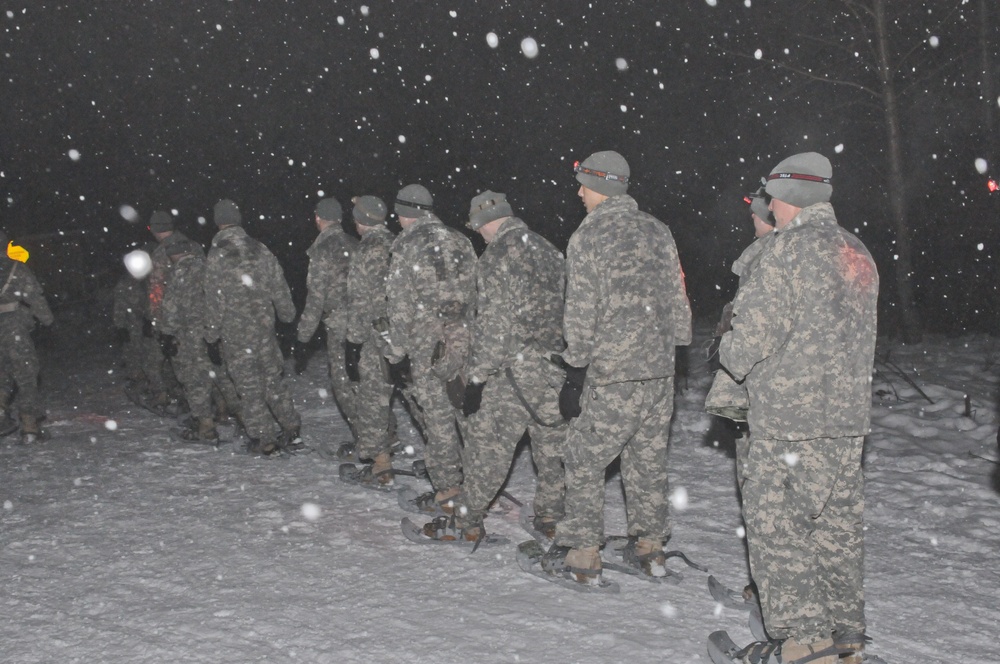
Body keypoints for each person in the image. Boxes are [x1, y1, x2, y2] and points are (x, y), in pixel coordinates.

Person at [718, 152, 879, 664]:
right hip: (846, 418)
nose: (768, 205)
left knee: (778, 526)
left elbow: (751, 342)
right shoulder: (856, 249)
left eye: (771, 196)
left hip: (789, 419)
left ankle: (805, 641)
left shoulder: (786, 252)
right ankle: (845, 632)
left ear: (786, 198)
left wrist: (725, 343)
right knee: (836, 525)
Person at [543, 151, 691, 586]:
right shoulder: (657, 229)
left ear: (597, 187)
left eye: (582, 185)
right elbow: (679, 301)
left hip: (613, 372)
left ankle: (583, 555)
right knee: (646, 461)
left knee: (584, 458)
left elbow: (581, 312)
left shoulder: (589, 235)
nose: (578, 193)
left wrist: (576, 367)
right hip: (659, 371)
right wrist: (670, 345)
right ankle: (649, 549)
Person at [421, 191, 567, 543]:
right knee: (550, 446)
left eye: (478, 229)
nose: (479, 235)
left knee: (490, 449)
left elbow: (494, 326)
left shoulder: (497, 256)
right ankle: (551, 514)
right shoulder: (549, 249)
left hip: (513, 371)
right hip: (553, 366)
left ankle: (467, 521)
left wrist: (476, 378)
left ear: (486, 223)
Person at [380, 184, 476, 509]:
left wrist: (395, 353)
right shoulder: (461, 240)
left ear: (404, 212)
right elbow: (476, 293)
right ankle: (479, 481)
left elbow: (400, 306)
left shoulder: (406, 245)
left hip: (428, 343)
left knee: (438, 419)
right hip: (464, 338)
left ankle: (449, 491)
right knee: (466, 412)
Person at [204, 199, 300, 456]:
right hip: (264, 327)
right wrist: (287, 314)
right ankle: (291, 426)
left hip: (236, 332)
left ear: (218, 222)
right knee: (271, 378)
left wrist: (211, 335)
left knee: (248, 386)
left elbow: (214, 298)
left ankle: (265, 438)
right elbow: (278, 284)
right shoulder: (259, 248)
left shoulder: (218, 254)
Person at [705, 186, 777, 486]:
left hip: (763, 386)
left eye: (757, 212)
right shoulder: (771, 251)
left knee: (756, 477)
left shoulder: (768, 255)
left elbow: (752, 327)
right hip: (774, 388)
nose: (751, 216)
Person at [159, 238, 241, 442]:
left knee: (196, 381)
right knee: (224, 377)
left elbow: (170, 309)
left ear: (174, 256)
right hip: (216, 334)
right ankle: (244, 419)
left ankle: (206, 426)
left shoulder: (179, 274)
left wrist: (166, 334)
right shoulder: (210, 268)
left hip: (191, 338)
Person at [342, 195, 397, 485]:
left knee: (372, 398)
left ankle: (380, 464)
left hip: (377, 335)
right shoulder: (398, 243)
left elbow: (359, 300)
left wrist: (353, 341)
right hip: (404, 335)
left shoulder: (367, 250)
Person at [296, 197, 360, 442]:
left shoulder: (322, 250)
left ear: (317, 219)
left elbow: (315, 299)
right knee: (365, 382)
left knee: (343, 385)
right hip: (363, 324)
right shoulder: (355, 244)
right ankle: (384, 433)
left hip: (340, 326)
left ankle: (369, 441)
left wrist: (303, 336)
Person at [0, 229, 54, 443]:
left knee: (2, 373)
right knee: (26, 374)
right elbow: (35, 297)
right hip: (15, 329)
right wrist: (48, 320)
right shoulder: (17, 269)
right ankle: (29, 426)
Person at [144, 210, 189, 412]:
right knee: (195, 363)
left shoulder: (161, 252)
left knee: (158, 360)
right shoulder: (191, 245)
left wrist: (154, 317)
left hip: (170, 316)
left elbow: (157, 289)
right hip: (195, 314)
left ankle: (166, 396)